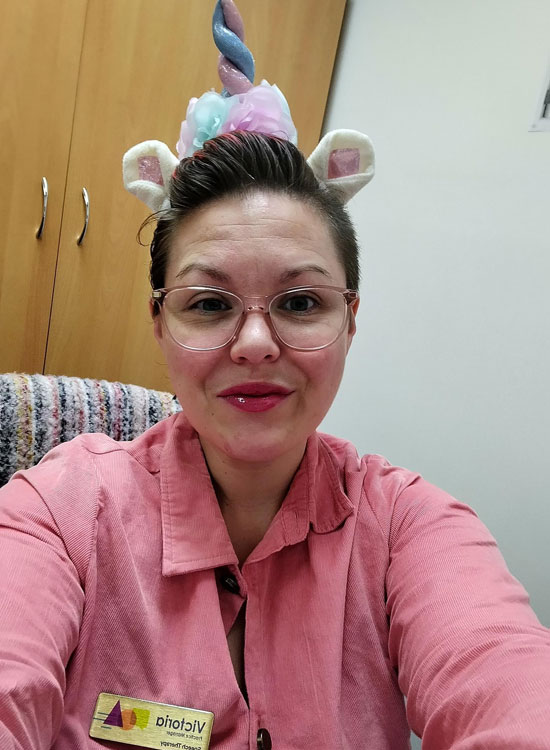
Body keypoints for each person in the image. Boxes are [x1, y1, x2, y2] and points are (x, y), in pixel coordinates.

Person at [1, 127, 549, 750]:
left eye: (300, 302)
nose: (256, 344)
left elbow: (506, 680)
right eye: (209, 304)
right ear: (159, 322)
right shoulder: (58, 512)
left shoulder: (410, 529)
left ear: (350, 322)